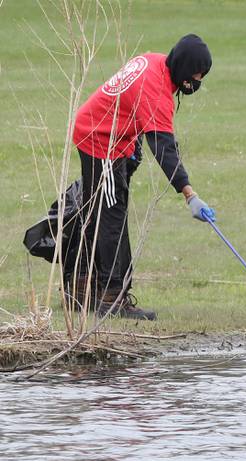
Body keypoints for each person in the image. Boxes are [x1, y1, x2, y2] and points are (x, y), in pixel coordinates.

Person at [69, 34, 216, 320]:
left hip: (112, 139)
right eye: (198, 75)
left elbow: (128, 104)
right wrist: (190, 194)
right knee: (111, 214)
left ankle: (82, 289)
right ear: (186, 69)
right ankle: (112, 299)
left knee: (103, 210)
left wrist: (132, 147)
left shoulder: (156, 61)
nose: (198, 81)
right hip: (99, 140)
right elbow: (164, 150)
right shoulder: (157, 92)